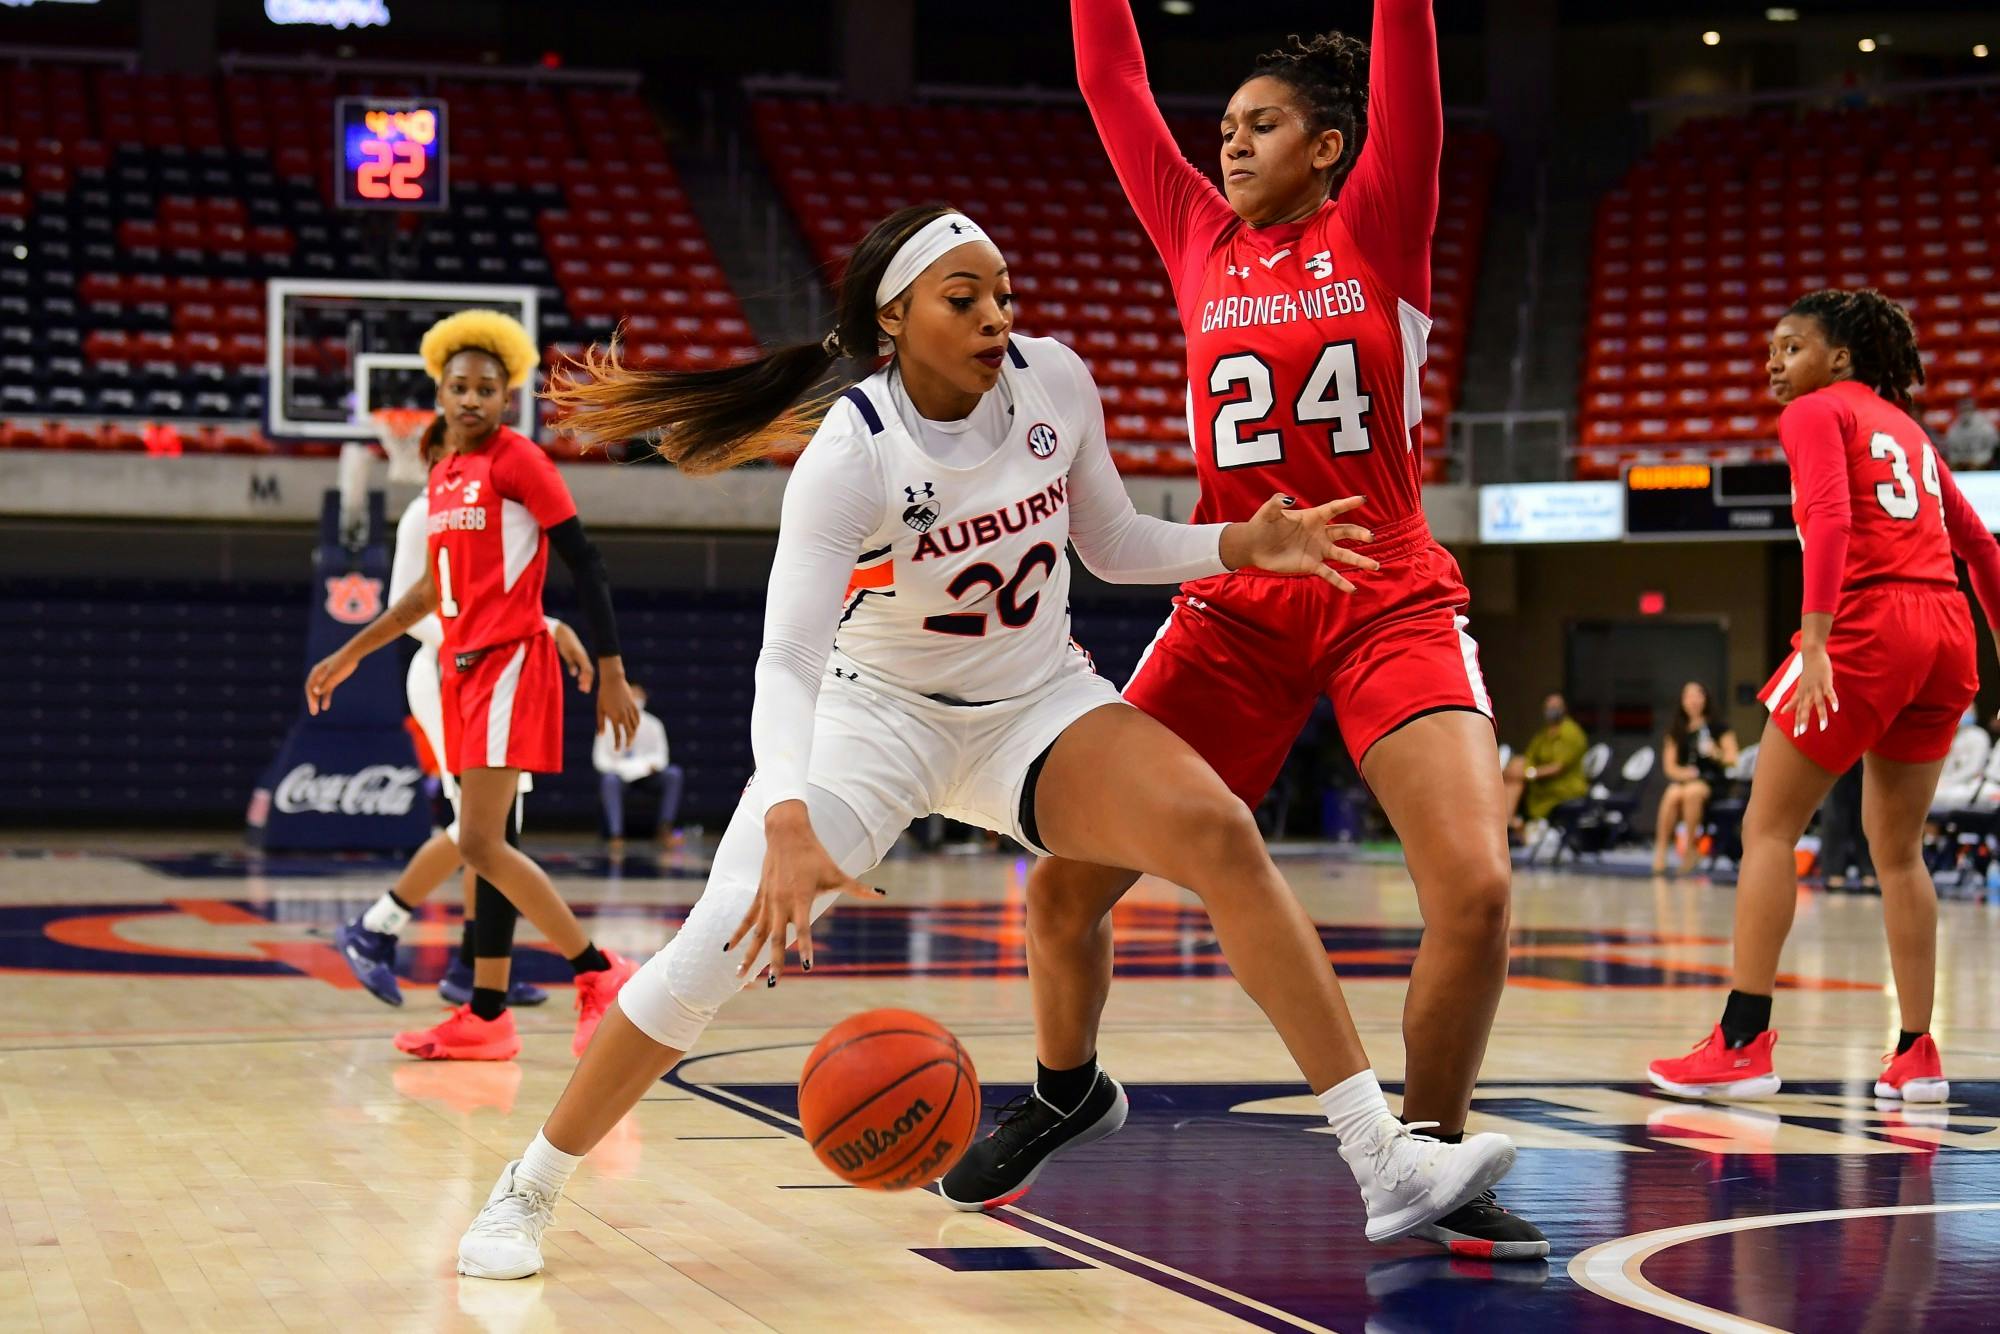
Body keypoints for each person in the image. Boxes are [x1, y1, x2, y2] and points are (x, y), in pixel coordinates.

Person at [451, 205, 1514, 1281]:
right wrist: (784, 809)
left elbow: (1110, 541)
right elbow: (786, 661)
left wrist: (1237, 543)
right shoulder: (849, 453)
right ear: (895, 317)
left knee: (1217, 829)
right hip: (875, 723)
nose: (995, 315)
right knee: (711, 951)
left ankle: (1381, 1159)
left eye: (1003, 292)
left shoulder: (1053, 378)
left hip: (1031, 702)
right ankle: (528, 1183)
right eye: (964, 299)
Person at [949, 0, 1542, 1259]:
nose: (1226, 144)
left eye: (1258, 125)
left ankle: (1426, 1154)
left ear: (1328, 146)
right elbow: (1112, 81)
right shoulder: (1197, 236)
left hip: (1382, 592)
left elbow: (1409, 79)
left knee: (1478, 888)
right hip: (1236, 611)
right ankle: (1066, 1088)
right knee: (1060, 892)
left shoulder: (1379, 224)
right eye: (1220, 126)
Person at [1647, 288, 2000, 1106]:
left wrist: (1814, 640)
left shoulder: (1814, 415)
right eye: (1770, 349)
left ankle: (1741, 1041)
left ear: (1837, 357)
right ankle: (1917, 1052)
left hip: (1871, 624)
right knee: (1900, 852)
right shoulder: (1910, 429)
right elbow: (1979, 547)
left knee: (1766, 826)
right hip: (1945, 632)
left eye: (1790, 345)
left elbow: (1834, 520)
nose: (1774, 361)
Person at [307, 310, 643, 1061]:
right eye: (459, 387)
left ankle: (598, 972)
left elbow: (586, 563)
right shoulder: (444, 475)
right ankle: (487, 1016)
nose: (471, 400)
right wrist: (352, 652)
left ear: (507, 397)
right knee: (490, 844)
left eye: (486, 389)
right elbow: (430, 591)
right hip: (460, 670)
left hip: (509, 663)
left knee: (484, 843)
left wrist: (612, 673)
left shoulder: (519, 461)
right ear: (439, 393)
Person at [334, 412, 597, 1013]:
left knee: (497, 831)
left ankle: (472, 964)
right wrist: (504, 634)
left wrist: (544, 627)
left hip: (496, 673)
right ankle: (377, 927)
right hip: (447, 671)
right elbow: (417, 609)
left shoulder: (491, 505)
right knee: (480, 831)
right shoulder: (426, 511)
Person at [1651, 681, 1738, 875]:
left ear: (1706, 699)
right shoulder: (1676, 730)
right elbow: (1670, 767)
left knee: (1693, 792)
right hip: (1686, 780)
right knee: (1672, 793)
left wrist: (1715, 752)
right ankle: (1661, 850)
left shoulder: (1718, 726)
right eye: (1688, 696)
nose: (1693, 701)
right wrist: (1685, 773)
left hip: (1712, 782)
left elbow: (1733, 758)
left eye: (1698, 695)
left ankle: (1690, 847)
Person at [593, 682, 683, 855]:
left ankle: (664, 828)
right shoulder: (607, 723)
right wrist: (623, 768)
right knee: (609, 781)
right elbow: (600, 759)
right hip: (620, 775)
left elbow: (662, 756)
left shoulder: (654, 725)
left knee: (673, 774)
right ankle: (616, 834)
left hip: (648, 776)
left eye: (638, 697)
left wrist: (651, 766)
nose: (634, 701)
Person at [1500, 693, 1588, 840]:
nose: (1552, 710)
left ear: (1564, 708)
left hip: (1562, 788)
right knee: (1517, 765)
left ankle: (1509, 819)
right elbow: (1529, 757)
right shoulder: (1544, 734)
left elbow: (1557, 767)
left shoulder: (1571, 733)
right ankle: (1508, 820)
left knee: (1517, 777)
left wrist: (1529, 774)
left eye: (1556, 706)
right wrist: (1517, 770)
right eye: (1549, 706)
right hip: (1541, 785)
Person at [1942, 396, 1998, 472]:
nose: (1965, 413)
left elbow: (1992, 450)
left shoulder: (1986, 427)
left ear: (1974, 409)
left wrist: (1978, 461)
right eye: (1963, 410)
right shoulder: (1953, 429)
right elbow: (1951, 452)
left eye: (1968, 409)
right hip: (1961, 465)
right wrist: (1959, 461)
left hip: (1982, 465)